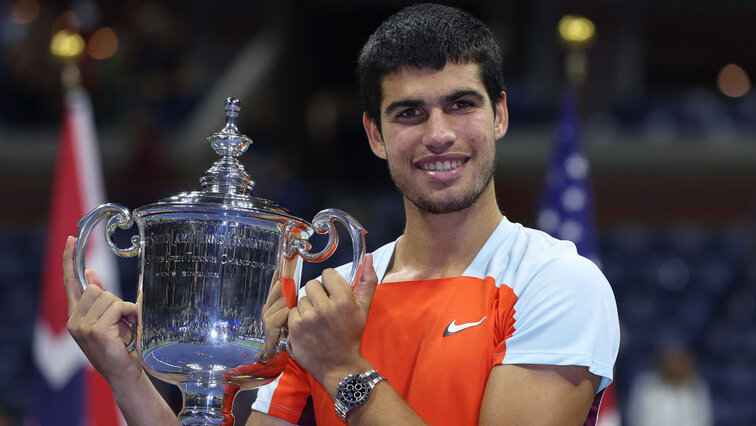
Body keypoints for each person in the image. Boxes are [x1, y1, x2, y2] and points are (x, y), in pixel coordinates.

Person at [63, 3, 619, 425]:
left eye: (461, 104)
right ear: (375, 135)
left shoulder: (557, 282)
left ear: (499, 114)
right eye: (409, 113)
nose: (439, 134)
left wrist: (343, 370)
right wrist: (126, 375)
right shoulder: (330, 302)